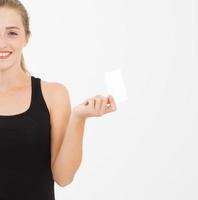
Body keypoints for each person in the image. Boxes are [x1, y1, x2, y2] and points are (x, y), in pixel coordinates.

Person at [0, 0, 117, 199]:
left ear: (26, 38)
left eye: (12, 33)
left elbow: (63, 177)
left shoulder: (53, 94)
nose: (2, 42)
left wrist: (78, 118)